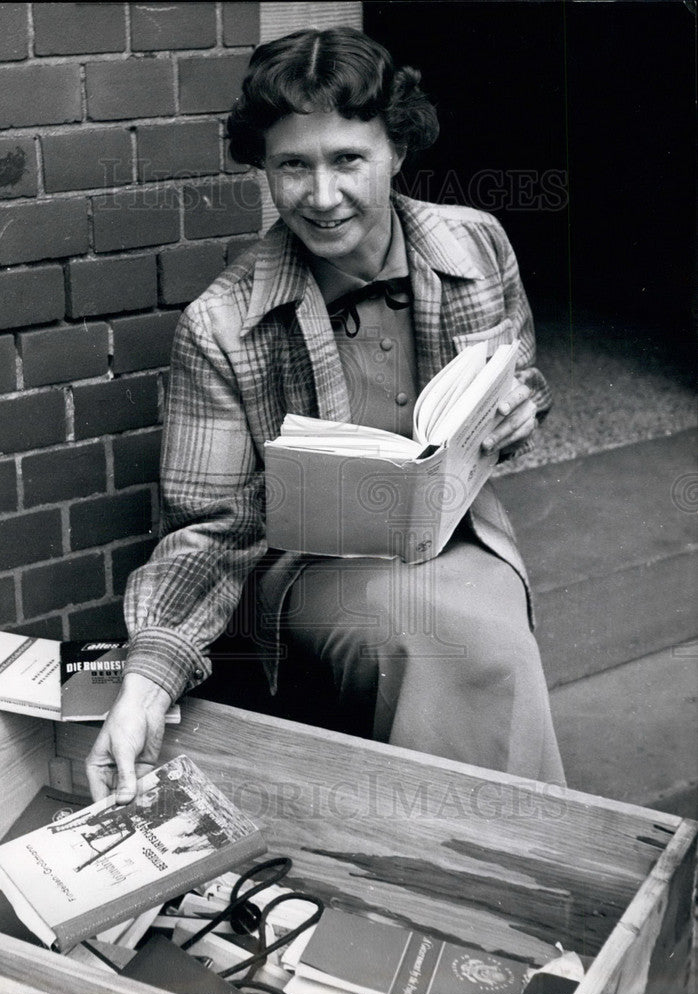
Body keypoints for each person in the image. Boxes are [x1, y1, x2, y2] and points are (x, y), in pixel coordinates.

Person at [86, 27, 565, 804]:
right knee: (459, 643)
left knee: (482, 634)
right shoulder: (223, 324)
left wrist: (520, 410)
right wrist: (149, 676)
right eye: (292, 166)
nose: (322, 195)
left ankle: (473, 862)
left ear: (397, 150)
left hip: (452, 530)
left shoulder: (477, 244)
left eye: (348, 159)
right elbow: (209, 529)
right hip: (315, 566)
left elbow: (521, 376)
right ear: (263, 169)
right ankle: (491, 865)